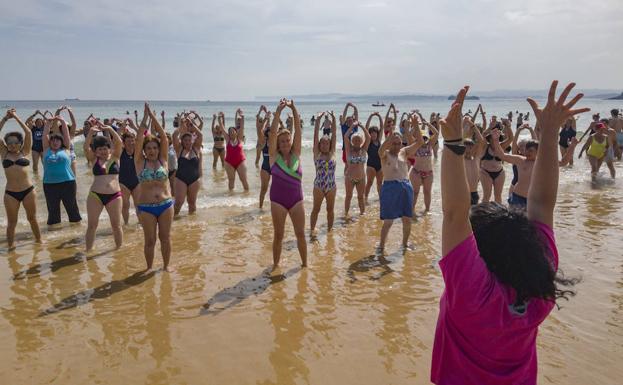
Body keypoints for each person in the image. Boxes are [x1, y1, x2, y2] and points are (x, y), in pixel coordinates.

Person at [431, 81, 586, 385]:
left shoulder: (472, 293)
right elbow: (540, 203)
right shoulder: (540, 289)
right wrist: (551, 134)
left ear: (482, 254)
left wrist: (451, 145)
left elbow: (454, 213)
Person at [134, 103, 174, 272]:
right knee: (150, 241)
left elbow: (164, 137)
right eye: (148, 148)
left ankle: (165, 267)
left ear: (159, 149)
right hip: (146, 207)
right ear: (144, 151)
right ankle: (149, 268)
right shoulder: (139, 162)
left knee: (165, 238)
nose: (152, 151)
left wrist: (153, 116)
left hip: (165, 205)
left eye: (154, 148)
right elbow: (138, 139)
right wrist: (144, 118)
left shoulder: (163, 160)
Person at [268, 99, 307, 268]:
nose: (285, 143)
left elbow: (298, 131)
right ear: (278, 143)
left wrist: (293, 108)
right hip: (278, 202)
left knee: (300, 234)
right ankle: (275, 266)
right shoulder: (273, 157)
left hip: (296, 200)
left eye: (287, 140)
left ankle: (305, 265)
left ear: (291, 142)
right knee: (279, 235)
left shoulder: (296, 154)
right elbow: (272, 134)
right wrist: (278, 111)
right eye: (281, 141)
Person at [378, 114, 425, 250]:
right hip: (390, 187)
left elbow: (420, 143)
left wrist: (416, 124)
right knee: (388, 221)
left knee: (407, 219)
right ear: (390, 143)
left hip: (405, 186)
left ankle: (404, 244)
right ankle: (381, 246)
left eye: (399, 143)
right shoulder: (385, 154)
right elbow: (380, 150)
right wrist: (389, 138)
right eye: (395, 143)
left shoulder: (404, 152)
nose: (397, 146)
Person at [0, 109, 42, 249]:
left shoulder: (25, 151)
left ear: (20, 143)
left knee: (32, 219)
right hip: (10, 193)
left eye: (15, 142)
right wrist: (6, 118)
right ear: (6, 144)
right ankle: (11, 247)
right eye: (9, 142)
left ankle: (39, 242)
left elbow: (28, 132)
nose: (12, 145)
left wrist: (16, 117)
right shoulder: (4, 153)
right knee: (12, 223)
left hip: (28, 191)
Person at [83, 122, 123, 251]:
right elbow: (85, 147)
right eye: (99, 149)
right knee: (92, 225)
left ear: (109, 149)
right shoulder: (94, 160)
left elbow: (119, 142)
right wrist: (90, 133)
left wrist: (110, 129)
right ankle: (88, 251)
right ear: (95, 151)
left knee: (116, 225)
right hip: (95, 195)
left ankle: (118, 250)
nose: (103, 151)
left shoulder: (115, 157)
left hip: (115, 195)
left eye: (105, 148)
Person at [42, 115, 82, 226]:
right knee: (53, 212)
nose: (55, 142)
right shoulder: (46, 150)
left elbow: (66, 135)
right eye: (53, 140)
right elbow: (45, 135)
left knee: (72, 209)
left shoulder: (66, 149)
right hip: (49, 185)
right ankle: (53, 236)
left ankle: (76, 233)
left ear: (62, 142)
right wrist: (48, 123)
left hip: (68, 183)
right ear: (50, 142)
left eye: (57, 141)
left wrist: (63, 121)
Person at [310, 111, 337, 235]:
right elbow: (315, 136)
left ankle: (330, 230)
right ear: (319, 145)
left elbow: (335, 134)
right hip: (319, 186)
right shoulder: (317, 153)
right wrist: (318, 120)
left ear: (330, 144)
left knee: (330, 210)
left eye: (327, 143)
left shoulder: (332, 153)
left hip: (331, 186)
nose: (325, 145)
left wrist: (334, 119)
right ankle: (312, 230)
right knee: (316, 209)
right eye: (323, 143)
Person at [172, 115, 203, 215]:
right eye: (185, 140)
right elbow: (174, 136)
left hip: (194, 179)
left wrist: (192, 124)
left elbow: (200, 135)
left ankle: (191, 225)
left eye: (189, 140)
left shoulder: (196, 149)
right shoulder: (179, 149)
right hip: (181, 178)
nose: (187, 142)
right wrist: (180, 126)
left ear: (192, 141)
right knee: (178, 203)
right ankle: (172, 220)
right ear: (182, 141)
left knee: (192, 204)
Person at [408, 112, 439, 212]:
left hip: (429, 173)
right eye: (422, 138)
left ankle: (427, 211)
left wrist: (427, 124)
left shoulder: (430, 145)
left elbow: (437, 133)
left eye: (425, 138)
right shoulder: (415, 145)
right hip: (416, 172)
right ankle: (411, 211)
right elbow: (409, 135)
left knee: (427, 192)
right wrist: (417, 125)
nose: (424, 140)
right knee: (415, 192)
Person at [480, 119, 514, 203]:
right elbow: (483, 135)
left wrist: (508, 126)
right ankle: (483, 214)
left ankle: (499, 213)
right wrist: (490, 128)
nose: (495, 139)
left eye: (497, 137)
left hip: (499, 173)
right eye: (492, 137)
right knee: (486, 195)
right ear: (489, 138)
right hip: (485, 172)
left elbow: (511, 138)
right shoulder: (485, 146)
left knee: (498, 195)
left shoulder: (501, 146)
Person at [343, 119, 371, 217]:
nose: (357, 141)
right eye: (355, 140)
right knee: (348, 196)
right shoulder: (348, 150)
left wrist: (361, 126)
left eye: (359, 140)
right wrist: (352, 126)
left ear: (361, 141)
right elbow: (346, 136)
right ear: (352, 141)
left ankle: (362, 214)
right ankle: (346, 214)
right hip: (349, 177)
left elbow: (368, 137)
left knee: (360, 197)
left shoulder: (364, 149)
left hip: (361, 178)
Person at [118, 120, 140, 225]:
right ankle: (126, 223)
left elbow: (142, 137)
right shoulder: (121, 151)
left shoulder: (138, 151)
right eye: (128, 141)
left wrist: (134, 127)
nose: (131, 143)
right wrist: (122, 127)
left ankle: (140, 222)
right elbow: (116, 139)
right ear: (124, 142)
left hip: (137, 182)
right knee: (125, 205)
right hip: (123, 182)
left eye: (132, 140)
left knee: (138, 204)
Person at [462, 114, 487, 205]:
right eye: (466, 147)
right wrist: (465, 124)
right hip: (463, 193)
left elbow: (481, 141)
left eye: (470, 147)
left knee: (473, 218)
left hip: (474, 193)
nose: (468, 149)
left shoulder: (476, 159)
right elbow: (460, 140)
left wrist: (473, 125)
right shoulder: (461, 160)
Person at [221, 111, 249, 190]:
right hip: (229, 163)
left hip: (240, 161)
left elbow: (242, 127)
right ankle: (231, 198)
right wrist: (220, 118)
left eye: (233, 131)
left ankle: (247, 197)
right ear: (229, 134)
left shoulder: (239, 138)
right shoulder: (227, 140)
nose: (232, 133)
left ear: (236, 133)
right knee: (231, 180)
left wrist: (242, 117)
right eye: (230, 132)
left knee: (243, 180)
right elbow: (222, 128)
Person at [364, 113, 384, 203]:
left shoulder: (379, 140)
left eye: (375, 133)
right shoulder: (368, 141)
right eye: (371, 133)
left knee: (380, 183)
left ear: (377, 133)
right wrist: (371, 116)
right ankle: (365, 198)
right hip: (371, 165)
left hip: (380, 165)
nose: (373, 135)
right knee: (369, 183)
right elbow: (366, 127)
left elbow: (382, 127)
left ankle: (381, 199)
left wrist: (379, 117)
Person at [256, 108, 272, 208]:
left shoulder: (276, 142)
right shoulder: (263, 141)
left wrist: (278, 121)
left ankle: (275, 207)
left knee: (276, 188)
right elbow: (259, 130)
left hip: (275, 167)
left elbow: (287, 131)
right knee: (264, 189)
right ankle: (260, 207)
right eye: (269, 132)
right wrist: (266, 118)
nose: (271, 133)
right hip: (265, 167)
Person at [339, 102, 359, 167]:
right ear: (346, 121)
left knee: (354, 165)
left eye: (351, 120)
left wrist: (355, 108)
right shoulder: (344, 127)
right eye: (348, 120)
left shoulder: (355, 127)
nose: (350, 121)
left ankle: (352, 177)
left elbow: (356, 116)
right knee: (347, 165)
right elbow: (344, 116)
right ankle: (346, 177)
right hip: (345, 149)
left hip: (354, 149)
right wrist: (347, 106)